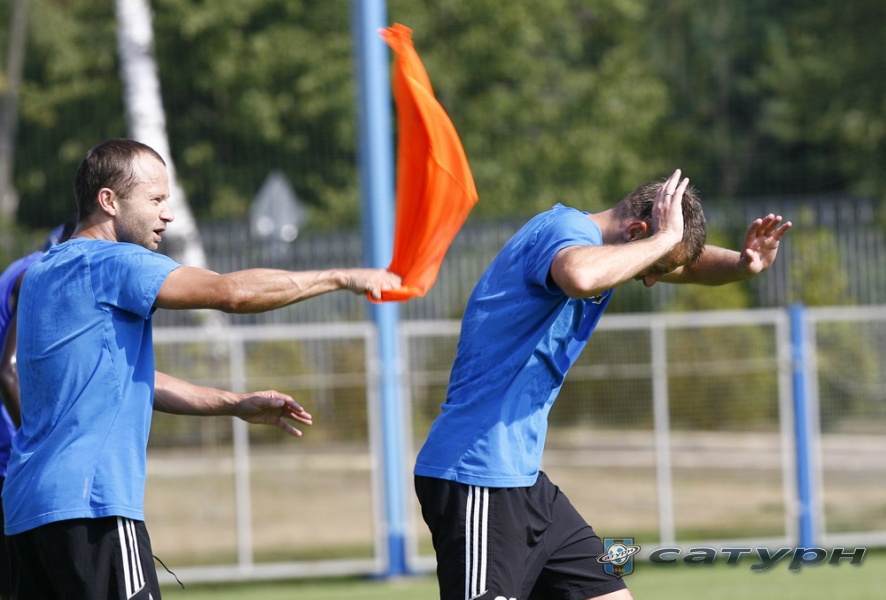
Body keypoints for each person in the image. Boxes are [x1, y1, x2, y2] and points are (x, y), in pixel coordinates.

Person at [1, 138, 401, 599]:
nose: (167, 214)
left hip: (27, 511)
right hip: (93, 507)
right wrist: (340, 277)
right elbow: (231, 293)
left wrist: (233, 403)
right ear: (108, 200)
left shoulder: (42, 274)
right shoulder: (112, 260)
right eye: (155, 199)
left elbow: (123, 379)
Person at [413, 169, 792, 600]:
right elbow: (579, 276)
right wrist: (665, 241)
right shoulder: (565, 231)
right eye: (654, 266)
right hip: (475, 473)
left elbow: (687, 265)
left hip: (524, 481)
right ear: (637, 232)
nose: (650, 280)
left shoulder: (611, 248)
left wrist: (742, 264)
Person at [0, 219, 76, 600]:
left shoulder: (23, 268)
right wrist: (41, 445)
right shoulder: (37, 276)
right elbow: (8, 371)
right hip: (11, 461)